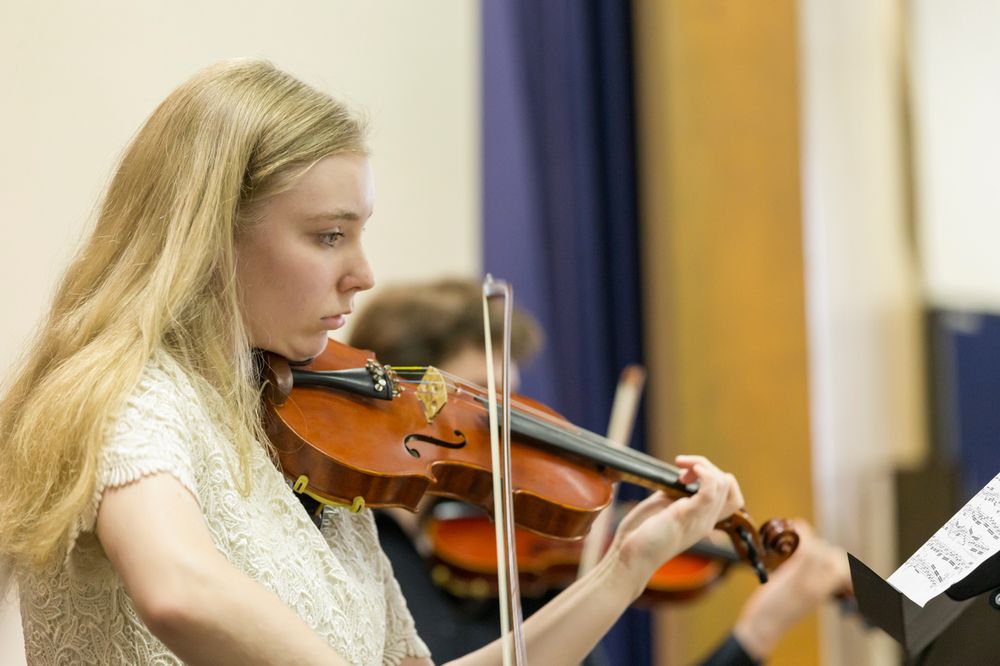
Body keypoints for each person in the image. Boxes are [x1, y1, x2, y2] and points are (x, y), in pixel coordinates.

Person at [0, 59, 743, 665]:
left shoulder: (305, 451)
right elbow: (178, 587)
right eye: (329, 235)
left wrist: (622, 571)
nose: (363, 273)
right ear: (210, 235)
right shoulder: (129, 389)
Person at [349, 281, 856, 666]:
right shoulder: (364, 551)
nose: (508, 426)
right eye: (482, 399)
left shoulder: (519, 565)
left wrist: (759, 629)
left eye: (512, 401)